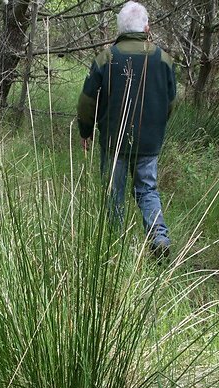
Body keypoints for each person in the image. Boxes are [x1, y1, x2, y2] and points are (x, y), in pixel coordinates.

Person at [77, 1, 177, 257]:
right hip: (150, 141)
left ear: (120, 29)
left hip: (114, 141)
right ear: (146, 28)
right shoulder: (163, 59)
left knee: (114, 193)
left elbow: (87, 101)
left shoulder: (106, 58)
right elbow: (170, 102)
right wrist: (156, 127)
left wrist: (85, 131)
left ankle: (115, 246)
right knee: (147, 189)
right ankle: (159, 237)